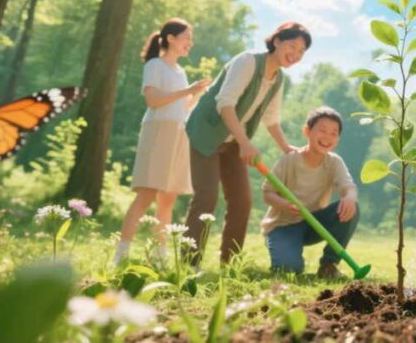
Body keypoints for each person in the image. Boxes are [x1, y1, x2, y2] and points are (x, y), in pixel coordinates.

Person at [183, 22, 311, 266]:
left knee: (242, 201)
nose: (294, 55)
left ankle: (229, 264)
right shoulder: (248, 61)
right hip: (207, 131)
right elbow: (225, 103)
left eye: (301, 52)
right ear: (276, 41)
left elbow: (271, 119)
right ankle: (189, 264)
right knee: (206, 196)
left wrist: (286, 147)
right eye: (291, 46)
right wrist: (245, 143)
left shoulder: (278, 79)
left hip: (233, 141)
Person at [113, 19, 211, 264]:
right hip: (158, 131)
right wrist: (187, 91)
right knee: (146, 195)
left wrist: (196, 95)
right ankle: (121, 255)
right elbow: (153, 101)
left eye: (191, 38)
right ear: (170, 38)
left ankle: (158, 258)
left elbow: (182, 106)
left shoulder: (180, 71)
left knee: (168, 198)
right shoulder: (155, 65)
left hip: (179, 132)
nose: (190, 42)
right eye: (186, 37)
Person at [261, 107, 359, 277]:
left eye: (334, 133)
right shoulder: (289, 159)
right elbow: (267, 194)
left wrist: (350, 198)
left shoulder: (334, 162)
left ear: (338, 138)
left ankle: (328, 266)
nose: (327, 137)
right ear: (307, 131)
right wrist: (284, 204)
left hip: (314, 223)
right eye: (322, 130)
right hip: (283, 225)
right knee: (289, 270)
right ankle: (287, 256)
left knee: (352, 207)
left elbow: (348, 187)